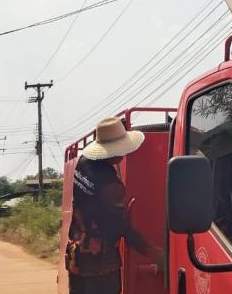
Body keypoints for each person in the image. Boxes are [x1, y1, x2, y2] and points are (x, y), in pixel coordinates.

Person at [66, 117, 165, 294]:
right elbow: (122, 227)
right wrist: (157, 255)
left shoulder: (82, 164)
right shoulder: (111, 185)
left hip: (77, 260)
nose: (124, 153)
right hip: (101, 267)